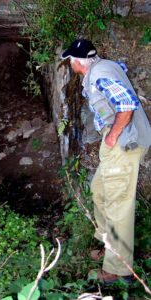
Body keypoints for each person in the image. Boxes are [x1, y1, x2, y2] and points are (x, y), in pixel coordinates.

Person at [61, 39, 151, 283]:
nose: (69, 63)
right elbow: (119, 73)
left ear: (78, 62)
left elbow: (126, 105)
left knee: (118, 205)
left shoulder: (99, 75)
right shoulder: (104, 67)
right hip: (117, 143)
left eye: (70, 60)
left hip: (122, 143)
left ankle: (118, 269)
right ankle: (109, 246)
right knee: (99, 189)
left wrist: (112, 135)